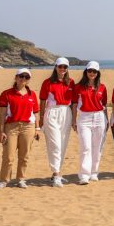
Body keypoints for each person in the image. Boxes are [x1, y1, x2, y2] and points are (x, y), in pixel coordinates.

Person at [0, 68, 40, 190]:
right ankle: (4, 180)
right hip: (11, 127)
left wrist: (37, 128)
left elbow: (36, 113)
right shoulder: (6, 94)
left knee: (24, 156)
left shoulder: (32, 94)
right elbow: (2, 114)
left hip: (28, 127)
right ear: (16, 77)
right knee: (8, 156)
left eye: (26, 77)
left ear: (29, 80)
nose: (23, 79)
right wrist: (1, 131)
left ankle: (21, 179)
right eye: (21, 76)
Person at [71, 61, 109, 185]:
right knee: (86, 147)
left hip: (99, 117)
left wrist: (107, 120)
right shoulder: (78, 87)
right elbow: (74, 104)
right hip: (84, 118)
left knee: (97, 147)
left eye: (94, 71)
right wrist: (73, 120)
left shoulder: (102, 87)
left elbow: (104, 105)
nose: (92, 73)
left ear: (98, 73)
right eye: (90, 71)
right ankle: (84, 175)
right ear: (86, 72)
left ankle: (94, 172)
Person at [39, 57, 74, 187]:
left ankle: (56, 173)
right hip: (52, 112)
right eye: (60, 66)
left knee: (63, 144)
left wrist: (74, 119)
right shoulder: (47, 82)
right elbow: (43, 100)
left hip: (66, 113)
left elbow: (74, 102)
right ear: (56, 67)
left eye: (65, 67)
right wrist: (41, 118)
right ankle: (56, 174)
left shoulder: (71, 82)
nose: (62, 69)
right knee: (55, 145)